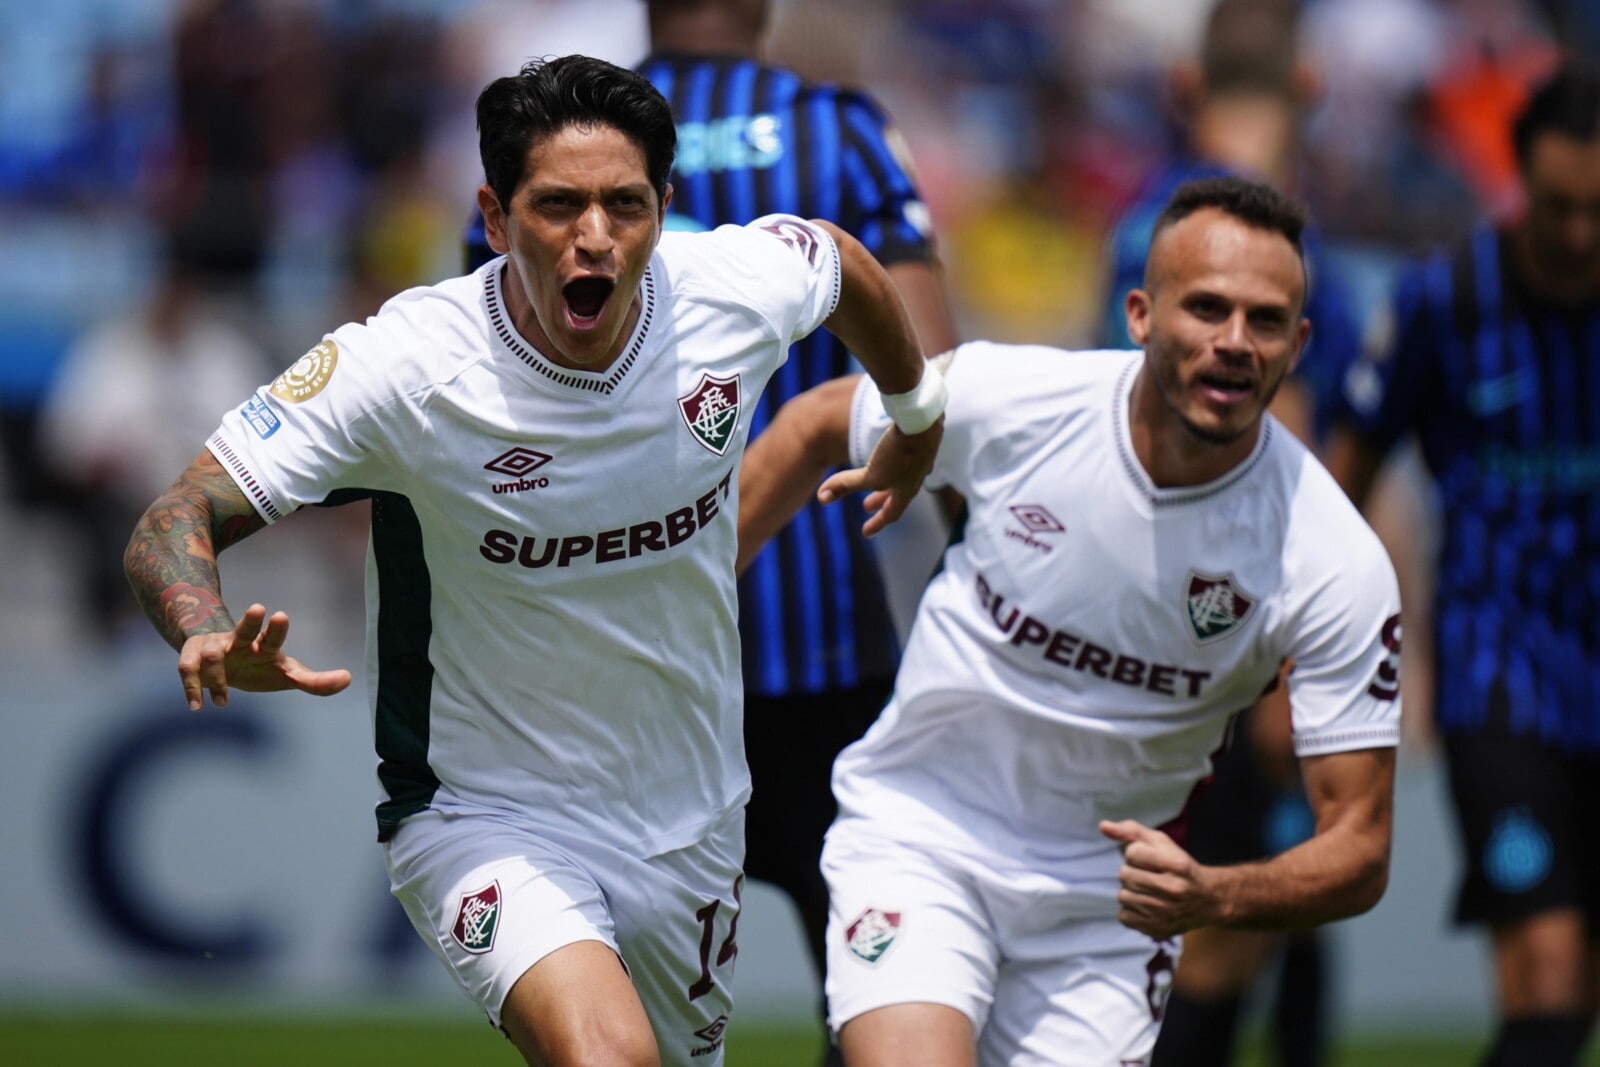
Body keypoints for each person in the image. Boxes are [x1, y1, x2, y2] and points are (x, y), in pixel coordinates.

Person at [121, 55, 944, 1067]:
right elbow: (174, 515)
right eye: (557, 205)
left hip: (688, 813)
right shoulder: (409, 367)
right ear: (496, 219)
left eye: (625, 205)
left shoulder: (730, 291)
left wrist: (914, 414)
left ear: (663, 209)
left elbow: (840, 262)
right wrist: (201, 621)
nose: (595, 235)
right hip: (483, 810)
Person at [738, 176, 1402, 1067]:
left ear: (1301, 343)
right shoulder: (1021, 400)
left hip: (1107, 910)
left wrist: (1216, 894)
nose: (1235, 342)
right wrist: (686, 603)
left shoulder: (1331, 557)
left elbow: (1360, 843)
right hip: (922, 833)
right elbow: (819, 422)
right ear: (1140, 315)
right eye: (1207, 308)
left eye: (1266, 320)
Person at [467, 6, 959, 1059]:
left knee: (605, 1003)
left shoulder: (556, 142)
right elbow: (932, 367)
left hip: (611, 654)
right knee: (880, 976)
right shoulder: (839, 128)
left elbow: (489, 355)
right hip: (817, 640)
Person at [1096, 3, 1363, 1063]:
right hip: (1230, 603)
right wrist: (1309, 643)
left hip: (1148, 589)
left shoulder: (1144, 227)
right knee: (1231, 911)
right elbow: (1307, 442)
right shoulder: (1281, 252)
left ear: (1187, 89)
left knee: (1242, 897)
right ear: (1308, 91)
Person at [1326, 60, 1600, 1067]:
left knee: (1575, 990)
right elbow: (1344, 479)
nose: (1580, 234)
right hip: (1500, 670)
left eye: (1599, 211)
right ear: (1519, 178)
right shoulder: (1443, 300)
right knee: (1546, 969)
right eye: (1560, 206)